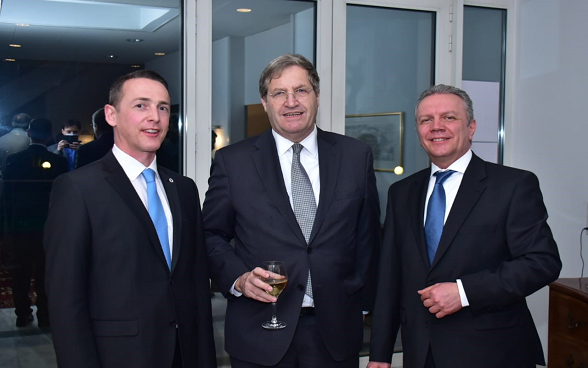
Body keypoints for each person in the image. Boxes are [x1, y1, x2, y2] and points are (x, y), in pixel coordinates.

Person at [202, 53, 381, 367]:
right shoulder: (234, 162)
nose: (291, 102)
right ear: (265, 102)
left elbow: (367, 235)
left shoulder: (355, 156)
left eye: (301, 90)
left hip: (337, 330)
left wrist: (362, 301)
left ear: (317, 96)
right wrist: (239, 279)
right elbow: (210, 235)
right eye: (279, 93)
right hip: (259, 328)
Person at [367, 84, 562, 368]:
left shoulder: (513, 186)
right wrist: (379, 355)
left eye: (449, 117)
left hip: (493, 353)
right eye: (426, 120)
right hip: (421, 353)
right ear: (419, 133)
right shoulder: (402, 192)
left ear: (471, 128)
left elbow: (542, 263)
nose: (436, 127)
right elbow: (390, 278)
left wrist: (464, 291)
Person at [44, 70, 216, 368]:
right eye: (141, 105)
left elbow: (197, 285)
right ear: (111, 115)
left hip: (184, 353)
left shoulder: (184, 189)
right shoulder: (78, 189)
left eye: (162, 107)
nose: (155, 117)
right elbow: (65, 300)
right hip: (119, 357)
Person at [3, 118, 67, 328]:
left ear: (29, 133)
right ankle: (45, 314)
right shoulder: (59, 161)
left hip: (21, 222)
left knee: (21, 269)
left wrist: (9, 224)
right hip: (49, 223)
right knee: (45, 270)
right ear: (49, 135)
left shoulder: (13, 160)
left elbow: (7, 197)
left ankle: (22, 313)